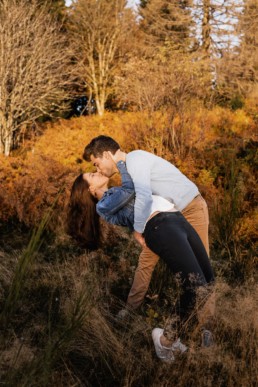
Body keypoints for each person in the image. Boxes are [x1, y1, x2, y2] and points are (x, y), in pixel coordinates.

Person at [67, 160, 215, 362]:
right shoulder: (104, 204)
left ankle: (174, 336)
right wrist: (120, 162)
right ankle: (165, 340)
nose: (96, 172)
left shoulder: (113, 194)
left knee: (208, 281)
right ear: (91, 189)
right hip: (160, 227)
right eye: (92, 175)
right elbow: (131, 189)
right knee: (194, 286)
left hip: (175, 218)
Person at [82, 136, 210, 314]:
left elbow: (142, 194)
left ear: (106, 155)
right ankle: (130, 310)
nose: (98, 169)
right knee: (145, 263)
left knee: (201, 271)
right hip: (165, 221)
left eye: (96, 164)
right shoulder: (123, 178)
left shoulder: (135, 159)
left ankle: (206, 327)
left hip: (190, 208)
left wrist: (138, 231)